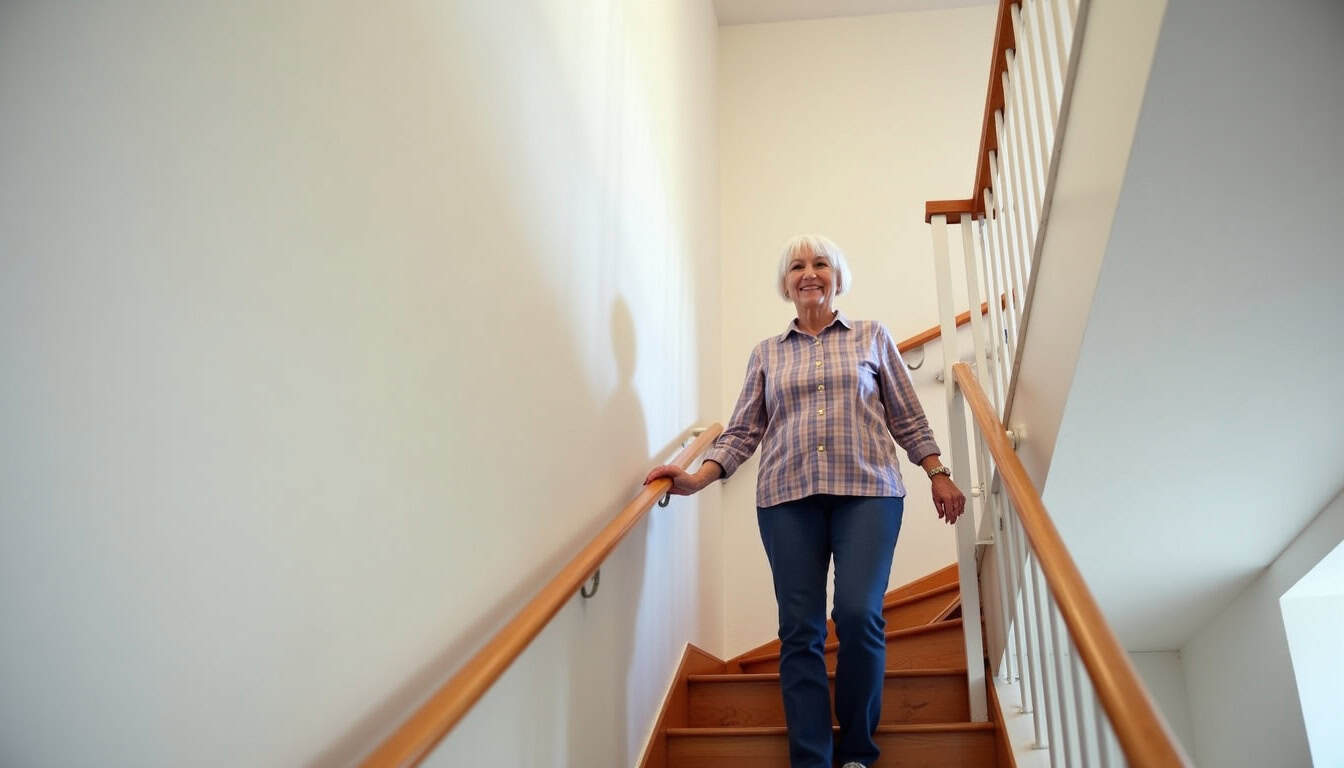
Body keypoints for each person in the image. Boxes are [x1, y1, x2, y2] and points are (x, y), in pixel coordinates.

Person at [644, 234, 966, 768]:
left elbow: (906, 416)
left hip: (869, 492)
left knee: (859, 614)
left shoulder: (871, 337)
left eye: (820, 263)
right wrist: (696, 479)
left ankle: (858, 751)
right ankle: (812, 759)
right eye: (797, 266)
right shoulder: (767, 354)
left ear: (837, 277)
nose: (809, 272)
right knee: (800, 630)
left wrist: (938, 472)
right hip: (786, 500)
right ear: (786, 283)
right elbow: (743, 431)